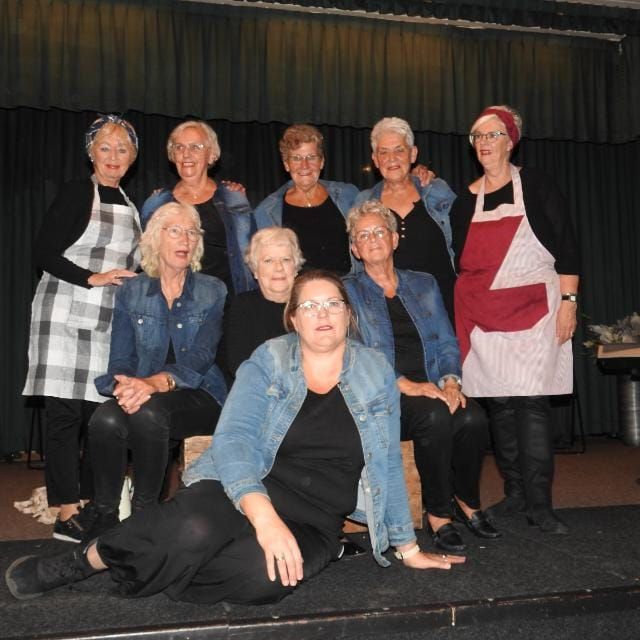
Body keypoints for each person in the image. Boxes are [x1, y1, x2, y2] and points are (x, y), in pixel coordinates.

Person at [6, 270, 465, 604]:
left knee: (264, 579)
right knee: (194, 527)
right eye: (309, 306)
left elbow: (385, 460)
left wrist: (407, 547)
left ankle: (163, 557)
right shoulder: (268, 360)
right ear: (293, 319)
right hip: (244, 487)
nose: (322, 313)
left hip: (316, 516)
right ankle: (91, 558)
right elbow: (234, 440)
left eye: (333, 304)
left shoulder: (376, 370)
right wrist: (263, 517)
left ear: (349, 314)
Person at [451, 105, 580, 535]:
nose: (484, 143)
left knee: (531, 405)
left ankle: (540, 504)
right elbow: (461, 262)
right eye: (477, 136)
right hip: (483, 316)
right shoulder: (464, 201)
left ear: (511, 141)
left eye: (492, 135)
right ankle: (516, 494)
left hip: (535, 311)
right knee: (500, 407)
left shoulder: (537, 185)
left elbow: (566, 246)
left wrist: (569, 302)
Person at [344, 200, 498, 553]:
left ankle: (467, 500)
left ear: (394, 239)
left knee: (473, 418)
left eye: (379, 231)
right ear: (354, 248)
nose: (372, 239)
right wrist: (405, 383)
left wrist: (450, 381)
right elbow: (356, 352)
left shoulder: (423, 283)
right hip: (384, 392)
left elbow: (446, 340)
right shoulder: (347, 291)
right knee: (434, 416)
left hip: (432, 383)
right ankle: (438, 515)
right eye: (363, 235)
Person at [22, 115, 141, 543]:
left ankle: (93, 504)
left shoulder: (131, 205)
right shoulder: (77, 192)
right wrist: (93, 277)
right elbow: (44, 252)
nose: (113, 156)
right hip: (63, 311)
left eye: (122, 149)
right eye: (105, 148)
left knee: (98, 417)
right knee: (65, 415)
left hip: (107, 317)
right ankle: (67, 511)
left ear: (132, 158)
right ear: (91, 152)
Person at [84, 201, 228, 541]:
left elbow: (201, 358)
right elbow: (121, 357)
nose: (185, 239)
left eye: (191, 232)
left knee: (149, 414)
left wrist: (154, 383)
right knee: (104, 419)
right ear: (154, 239)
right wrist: (125, 385)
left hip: (200, 394)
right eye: (175, 230)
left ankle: (145, 517)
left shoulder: (213, 290)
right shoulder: (131, 291)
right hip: (143, 392)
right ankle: (105, 515)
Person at [354, 117, 457, 322]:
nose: (391, 158)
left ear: (413, 154)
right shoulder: (363, 202)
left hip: (444, 309)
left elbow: (465, 243)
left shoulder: (438, 191)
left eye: (399, 150)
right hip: (389, 314)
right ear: (375, 159)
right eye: (383, 152)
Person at [140, 120, 255, 296]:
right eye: (179, 147)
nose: (186, 154)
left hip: (228, 299)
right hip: (173, 301)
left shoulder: (233, 197)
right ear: (173, 155)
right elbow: (147, 257)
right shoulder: (157, 203)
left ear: (211, 155)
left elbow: (252, 252)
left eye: (195, 147)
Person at [254, 124, 359, 274]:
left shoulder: (348, 195)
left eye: (311, 157)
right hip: (298, 287)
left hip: (347, 284)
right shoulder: (267, 212)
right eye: (296, 158)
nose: (305, 165)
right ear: (286, 164)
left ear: (322, 161)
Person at [220, 227, 303, 381]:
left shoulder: (310, 303)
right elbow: (240, 365)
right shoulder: (242, 306)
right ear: (255, 271)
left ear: (296, 268)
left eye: (286, 260)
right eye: (268, 261)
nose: (279, 267)